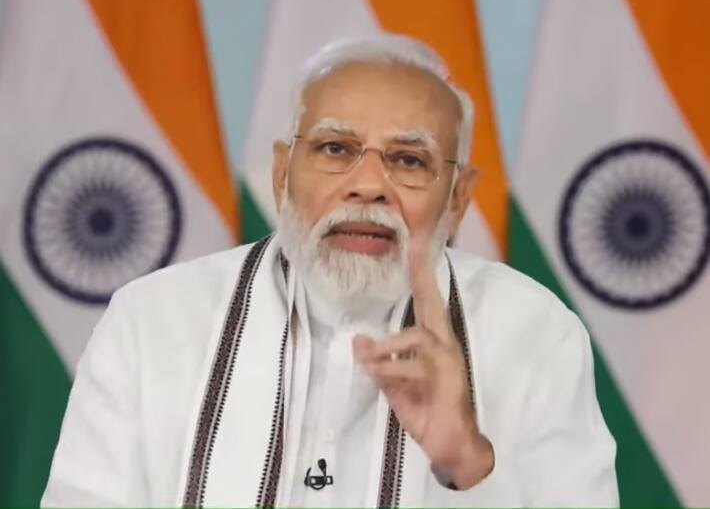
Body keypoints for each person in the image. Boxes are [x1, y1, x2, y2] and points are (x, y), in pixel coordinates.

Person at [42, 35, 618, 508]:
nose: (367, 186)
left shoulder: (535, 334)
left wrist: (468, 463)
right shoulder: (152, 320)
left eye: (409, 159)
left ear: (459, 198)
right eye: (336, 149)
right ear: (281, 173)